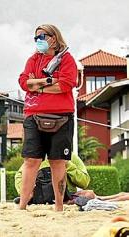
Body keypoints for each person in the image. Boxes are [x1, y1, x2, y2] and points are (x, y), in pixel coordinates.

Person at [17, 24, 78, 211]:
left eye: (42, 37)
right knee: (31, 160)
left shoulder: (67, 59)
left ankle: (59, 206)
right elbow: (23, 82)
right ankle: (22, 206)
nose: (38, 41)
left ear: (53, 37)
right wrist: (47, 81)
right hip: (33, 115)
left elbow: (66, 85)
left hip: (62, 116)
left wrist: (37, 85)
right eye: (36, 38)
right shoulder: (33, 59)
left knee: (58, 161)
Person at [14, 152, 90, 203]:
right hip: (39, 198)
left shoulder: (70, 156)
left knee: (89, 194)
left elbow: (84, 182)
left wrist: (68, 165)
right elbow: (19, 176)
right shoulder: (35, 158)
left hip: (68, 198)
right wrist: (27, 192)